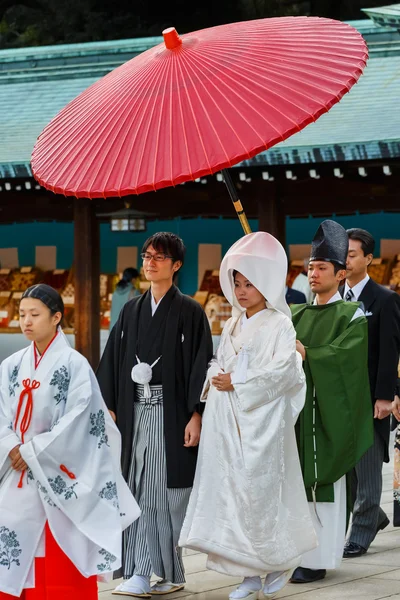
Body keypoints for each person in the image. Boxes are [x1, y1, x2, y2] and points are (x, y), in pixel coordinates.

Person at [179, 232, 317, 600]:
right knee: (233, 494)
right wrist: (216, 377)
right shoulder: (234, 323)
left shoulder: (279, 324)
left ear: (267, 285)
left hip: (260, 424)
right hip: (228, 422)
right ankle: (248, 574)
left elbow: (287, 372)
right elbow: (217, 362)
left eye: (249, 283)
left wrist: (238, 381)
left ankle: (272, 562)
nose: (241, 291)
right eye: (237, 283)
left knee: (259, 495)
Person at [0, 283, 140, 599]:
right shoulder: (10, 367)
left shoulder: (74, 365)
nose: (26, 322)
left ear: (56, 317)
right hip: (17, 468)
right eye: (22, 314)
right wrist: (11, 446)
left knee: (59, 548)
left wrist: (33, 451)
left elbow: (81, 423)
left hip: (55, 472)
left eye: (35, 314)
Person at [97, 232, 213, 598]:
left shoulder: (191, 311)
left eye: (159, 257)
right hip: (134, 412)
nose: (150, 263)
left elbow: (201, 365)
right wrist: (110, 404)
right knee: (135, 486)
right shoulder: (131, 309)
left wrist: (197, 414)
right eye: (147, 256)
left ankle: (155, 570)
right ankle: (146, 570)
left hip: (171, 412)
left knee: (164, 493)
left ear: (176, 265)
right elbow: (113, 361)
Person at [290, 220, 374, 584]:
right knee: (294, 484)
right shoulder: (293, 316)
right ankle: (294, 552)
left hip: (327, 414)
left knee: (323, 481)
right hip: (296, 412)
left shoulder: (351, 315)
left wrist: (308, 353)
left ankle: (319, 557)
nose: (313, 273)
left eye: (321, 267)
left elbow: (348, 358)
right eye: (310, 267)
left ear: (341, 274)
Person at [342, 228, 400, 557]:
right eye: (343, 254)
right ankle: (373, 515)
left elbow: (390, 351)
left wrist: (385, 395)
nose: (346, 260)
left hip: (369, 396)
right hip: (337, 397)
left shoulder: (386, 299)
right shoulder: (331, 298)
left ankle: (361, 532)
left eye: (352, 255)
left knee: (366, 466)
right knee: (343, 467)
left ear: (369, 259)